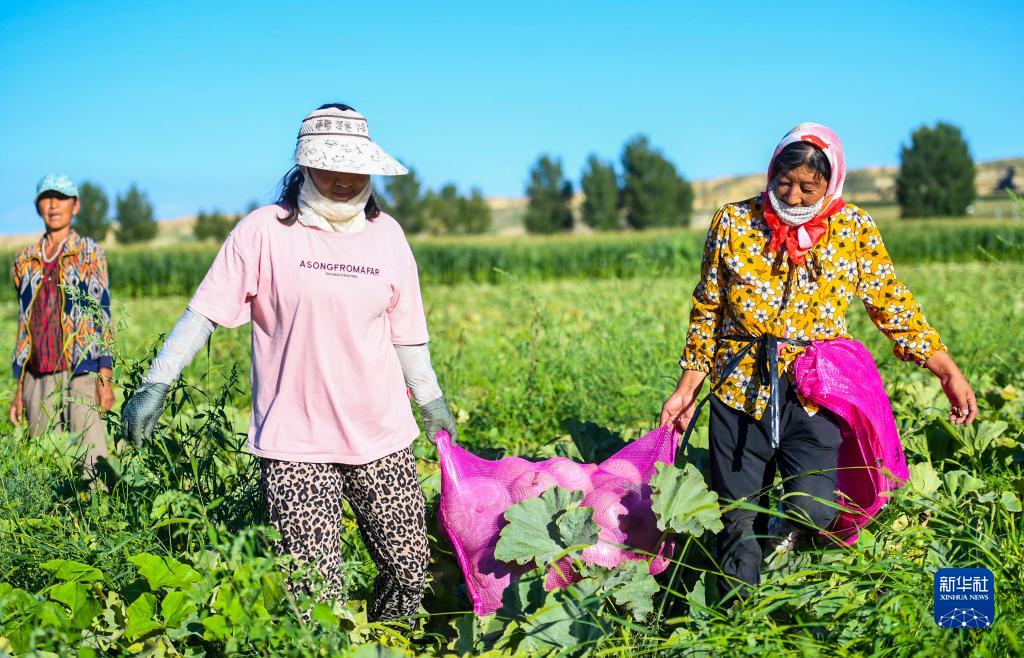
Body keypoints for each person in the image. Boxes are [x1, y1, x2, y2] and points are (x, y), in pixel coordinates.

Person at [122, 103, 457, 622]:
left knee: (411, 569)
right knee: (315, 597)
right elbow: (202, 313)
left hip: (381, 433)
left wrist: (430, 399)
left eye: (355, 168)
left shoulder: (388, 235)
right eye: (329, 166)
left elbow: (407, 333)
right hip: (295, 441)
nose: (344, 180)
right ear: (304, 164)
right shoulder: (263, 231)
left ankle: (386, 641)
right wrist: (156, 383)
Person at [660, 123, 977, 598]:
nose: (793, 196)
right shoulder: (733, 221)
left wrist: (947, 372)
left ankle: (789, 536)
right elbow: (708, 310)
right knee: (736, 518)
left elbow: (891, 303)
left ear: (831, 182)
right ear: (771, 172)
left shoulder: (853, 228)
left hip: (815, 388)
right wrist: (687, 390)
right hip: (739, 385)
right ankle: (739, 617)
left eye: (808, 187)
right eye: (784, 182)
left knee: (814, 507)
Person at [9, 174, 115, 477]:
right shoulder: (25, 260)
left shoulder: (90, 252)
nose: (53, 204)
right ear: (38, 206)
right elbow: (24, 324)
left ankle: (99, 506)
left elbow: (102, 313)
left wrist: (105, 377)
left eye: (61, 197)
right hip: (37, 374)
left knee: (92, 464)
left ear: (75, 205)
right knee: (44, 466)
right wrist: (19, 388)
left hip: (81, 371)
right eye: (46, 198)